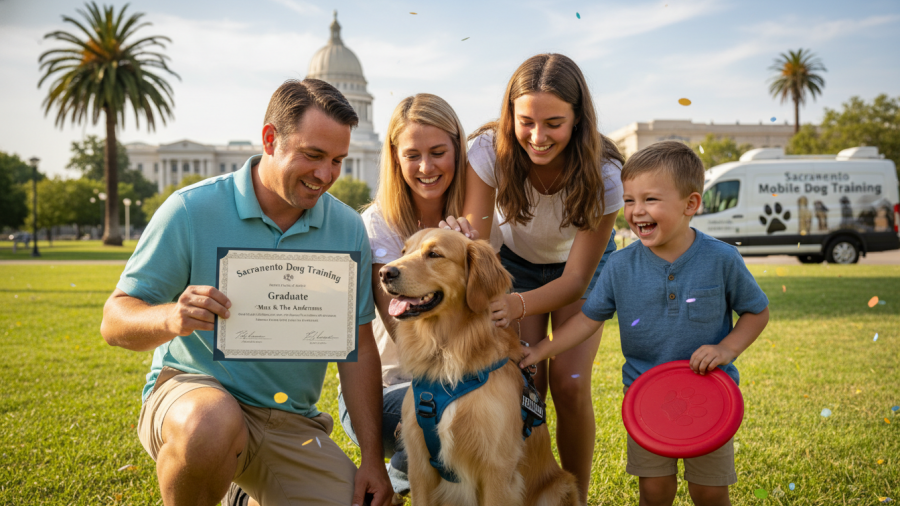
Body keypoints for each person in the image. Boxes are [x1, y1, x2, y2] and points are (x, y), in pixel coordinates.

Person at [99, 79, 392, 506]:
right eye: (312, 155)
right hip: (197, 399)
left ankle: (243, 493)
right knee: (212, 424)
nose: (326, 175)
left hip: (290, 421)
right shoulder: (191, 209)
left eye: (338, 161)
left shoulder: (346, 227)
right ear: (270, 139)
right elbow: (114, 319)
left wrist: (372, 460)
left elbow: (360, 348)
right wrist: (170, 318)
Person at [520, 141, 770, 506]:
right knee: (653, 490)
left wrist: (725, 349)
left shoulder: (722, 259)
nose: (637, 211)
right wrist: (542, 349)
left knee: (710, 491)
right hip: (646, 400)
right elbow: (588, 319)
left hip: (708, 398)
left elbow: (756, 311)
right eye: (629, 200)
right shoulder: (620, 266)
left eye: (650, 200)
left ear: (691, 204)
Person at [442, 53, 623, 501]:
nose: (538, 137)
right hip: (513, 265)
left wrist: (519, 305)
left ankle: (573, 497)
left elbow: (578, 279)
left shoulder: (606, 174)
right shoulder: (487, 151)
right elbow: (480, 249)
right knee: (525, 382)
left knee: (569, 383)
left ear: (579, 119)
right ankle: (521, 492)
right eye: (526, 121)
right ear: (510, 114)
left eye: (554, 123)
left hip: (580, 269)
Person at [338, 93, 496, 504]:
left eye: (438, 152)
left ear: (458, 152)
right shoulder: (376, 223)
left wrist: (471, 254)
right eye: (412, 155)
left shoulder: (478, 215)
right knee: (445, 411)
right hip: (394, 384)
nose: (426, 168)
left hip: (471, 373)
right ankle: (407, 475)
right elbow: (406, 331)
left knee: (507, 411)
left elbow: (494, 315)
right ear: (394, 157)